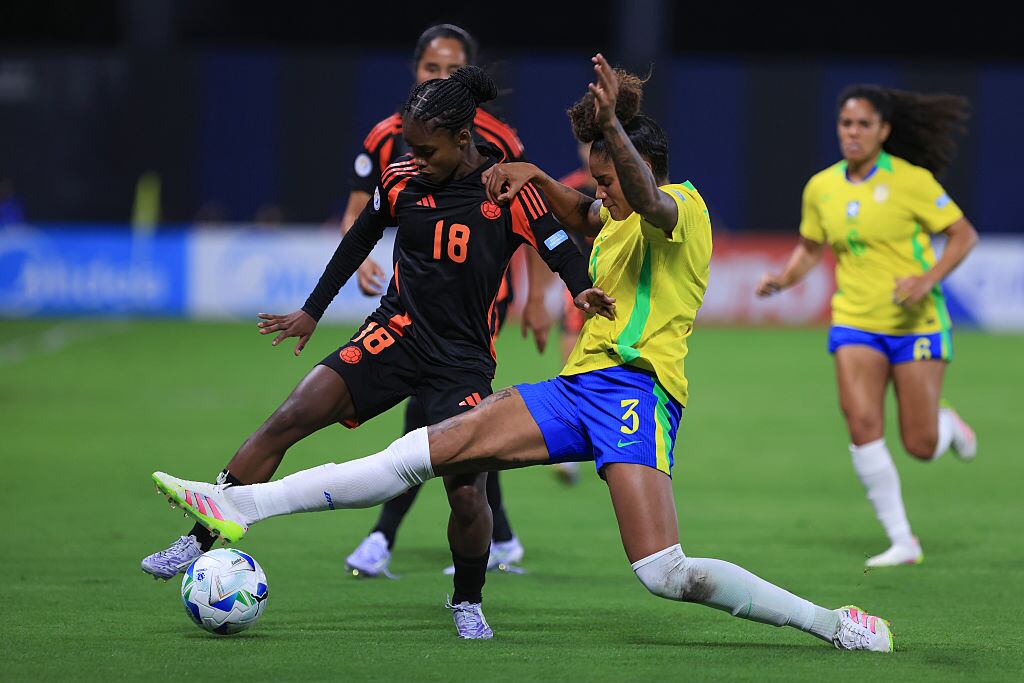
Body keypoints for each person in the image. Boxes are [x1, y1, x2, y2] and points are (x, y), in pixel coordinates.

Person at [152, 55, 893, 651]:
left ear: (638, 169)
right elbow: (582, 210)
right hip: (574, 391)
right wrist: (539, 174)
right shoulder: (613, 215)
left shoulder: (681, 208)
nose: (600, 196)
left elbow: (640, 192)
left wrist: (613, 141)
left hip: (638, 395)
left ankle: (833, 622)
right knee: (423, 452)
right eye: (597, 183)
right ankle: (237, 502)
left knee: (663, 571)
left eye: (608, 180)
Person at [144, 65, 596, 639]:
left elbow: (558, 244)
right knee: (290, 417)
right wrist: (312, 309)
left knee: (466, 490)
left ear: (464, 139)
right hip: (395, 333)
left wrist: (579, 288)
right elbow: (359, 237)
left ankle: (467, 599)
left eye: (427, 149)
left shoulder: (506, 189)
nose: (417, 159)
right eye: (410, 146)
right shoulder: (401, 179)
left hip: (461, 360)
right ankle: (200, 535)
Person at [340, 23, 539, 577]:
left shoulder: (500, 141)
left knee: (438, 410)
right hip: (412, 297)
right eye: (432, 69)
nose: (441, 78)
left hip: (479, 299)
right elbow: (359, 208)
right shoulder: (388, 135)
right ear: (414, 71)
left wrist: (543, 299)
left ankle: (382, 536)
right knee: (463, 416)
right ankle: (499, 536)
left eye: (453, 70)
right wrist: (361, 255)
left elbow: (535, 219)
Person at [756, 84, 978, 568]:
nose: (852, 133)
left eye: (863, 125)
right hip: (855, 321)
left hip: (916, 322)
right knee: (861, 425)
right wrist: (783, 280)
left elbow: (963, 236)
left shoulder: (912, 181)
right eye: (845, 124)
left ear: (884, 131)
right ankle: (903, 541)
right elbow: (812, 247)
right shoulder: (821, 187)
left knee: (919, 445)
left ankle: (947, 426)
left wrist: (927, 278)